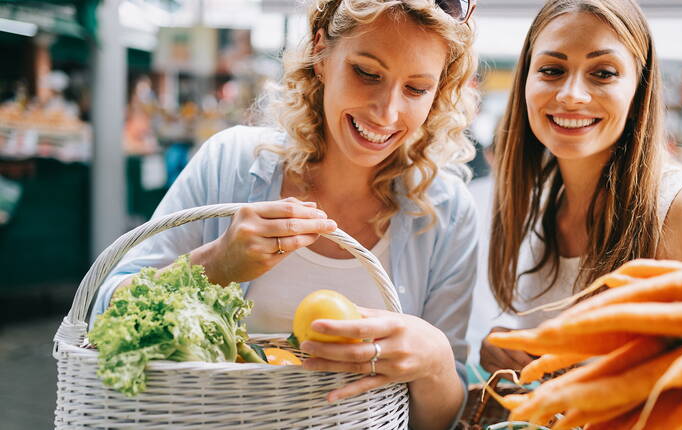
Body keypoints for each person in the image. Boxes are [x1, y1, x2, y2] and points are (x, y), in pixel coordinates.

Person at [92, 1, 480, 428]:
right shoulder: (232, 163)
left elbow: (439, 420)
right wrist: (217, 263)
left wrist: (437, 362)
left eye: (416, 89)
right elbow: (104, 315)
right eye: (367, 73)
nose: (387, 112)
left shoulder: (447, 212)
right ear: (321, 52)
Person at [479, 0, 682, 426]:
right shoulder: (538, 199)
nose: (571, 94)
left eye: (603, 73)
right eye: (551, 70)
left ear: (638, 88)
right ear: (526, 81)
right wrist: (507, 348)